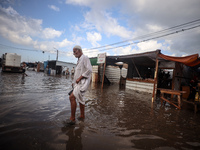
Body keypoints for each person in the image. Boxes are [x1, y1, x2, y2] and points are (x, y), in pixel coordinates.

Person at [67, 45, 92, 125]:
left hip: (82, 83)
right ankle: (82, 116)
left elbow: (89, 69)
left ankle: (72, 119)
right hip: (78, 83)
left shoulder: (84, 57)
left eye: (75, 51)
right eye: (73, 52)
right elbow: (78, 73)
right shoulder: (79, 60)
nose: (74, 53)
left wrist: (80, 78)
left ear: (79, 50)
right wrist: (74, 81)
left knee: (71, 97)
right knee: (80, 98)